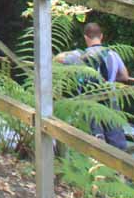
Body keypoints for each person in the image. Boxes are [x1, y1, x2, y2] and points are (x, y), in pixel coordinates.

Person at [55, 21, 130, 150]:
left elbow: (57, 58)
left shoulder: (78, 56)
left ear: (85, 37)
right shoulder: (113, 54)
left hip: (88, 101)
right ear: (101, 36)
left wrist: (71, 52)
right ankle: (118, 166)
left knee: (95, 138)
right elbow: (125, 76)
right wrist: (110, 80)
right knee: (116, 136)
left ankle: (97, 166)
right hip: (110, 97)